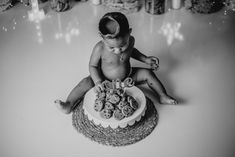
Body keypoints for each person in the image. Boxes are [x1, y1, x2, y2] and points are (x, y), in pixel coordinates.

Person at [55, 12, 177, 114]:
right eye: (112, 48)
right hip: (104, 80)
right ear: (102, 38)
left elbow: (132, 52)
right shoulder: (100, 48)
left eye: (123, 45)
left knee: (147, 73)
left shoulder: (131, 41)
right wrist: (98, 81)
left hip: (128, 77)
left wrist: (145, 59)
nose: (118, 50)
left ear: (129, 33)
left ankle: (162, 95)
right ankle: (69, 104)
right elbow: (92, 66)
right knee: (85, 82)